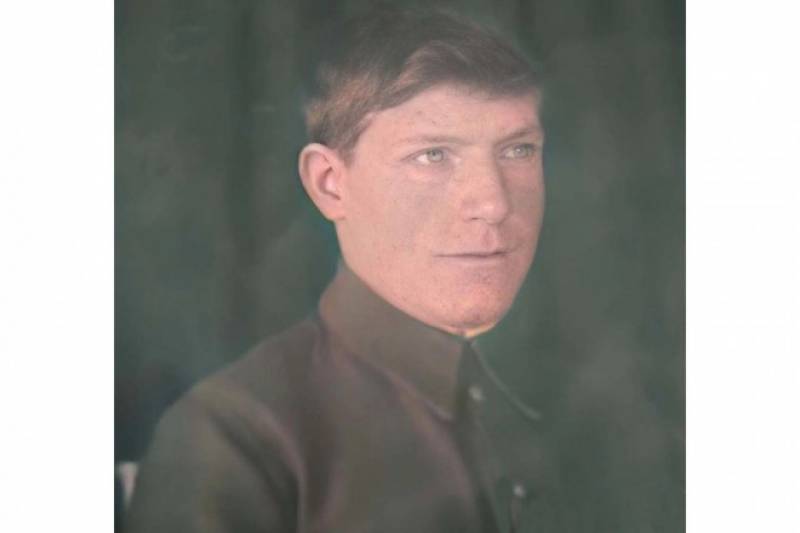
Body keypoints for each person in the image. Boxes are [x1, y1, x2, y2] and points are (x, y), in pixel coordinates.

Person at [125, 6, 682, 533]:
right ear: (330, 184)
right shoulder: (232, 442)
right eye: (432, 155)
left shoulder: (600, 420)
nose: (493, 202)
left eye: (517, 150)